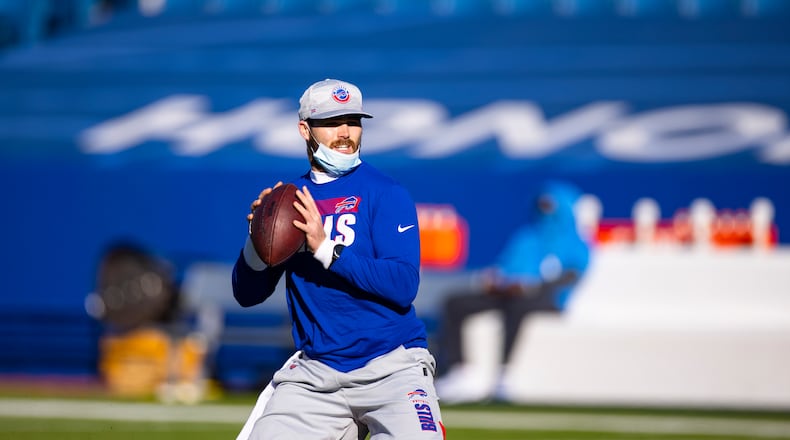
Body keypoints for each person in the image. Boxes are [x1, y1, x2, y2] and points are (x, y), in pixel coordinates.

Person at [232, 78, 445, 439]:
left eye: (353, 121)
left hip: (392, 366)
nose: (345, 133)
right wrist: (258, 240)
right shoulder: (291, 201)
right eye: (332, 123)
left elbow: (403, 285)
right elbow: (247, 294)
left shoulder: (386, 192)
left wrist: (325, 249)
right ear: (305, 130)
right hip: (317, 372)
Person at [434, 181, 591, 404]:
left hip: (548, 299)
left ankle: (504, 375)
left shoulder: (575, 243)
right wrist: (496, 280)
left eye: (550, 206)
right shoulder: (527, 236)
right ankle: (459, 372)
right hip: (508, 294)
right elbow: (505, 267)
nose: (545, 211)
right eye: (542, 205)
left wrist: (531, 286)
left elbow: (569, 276)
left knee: (518, 306)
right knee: (455, 303)